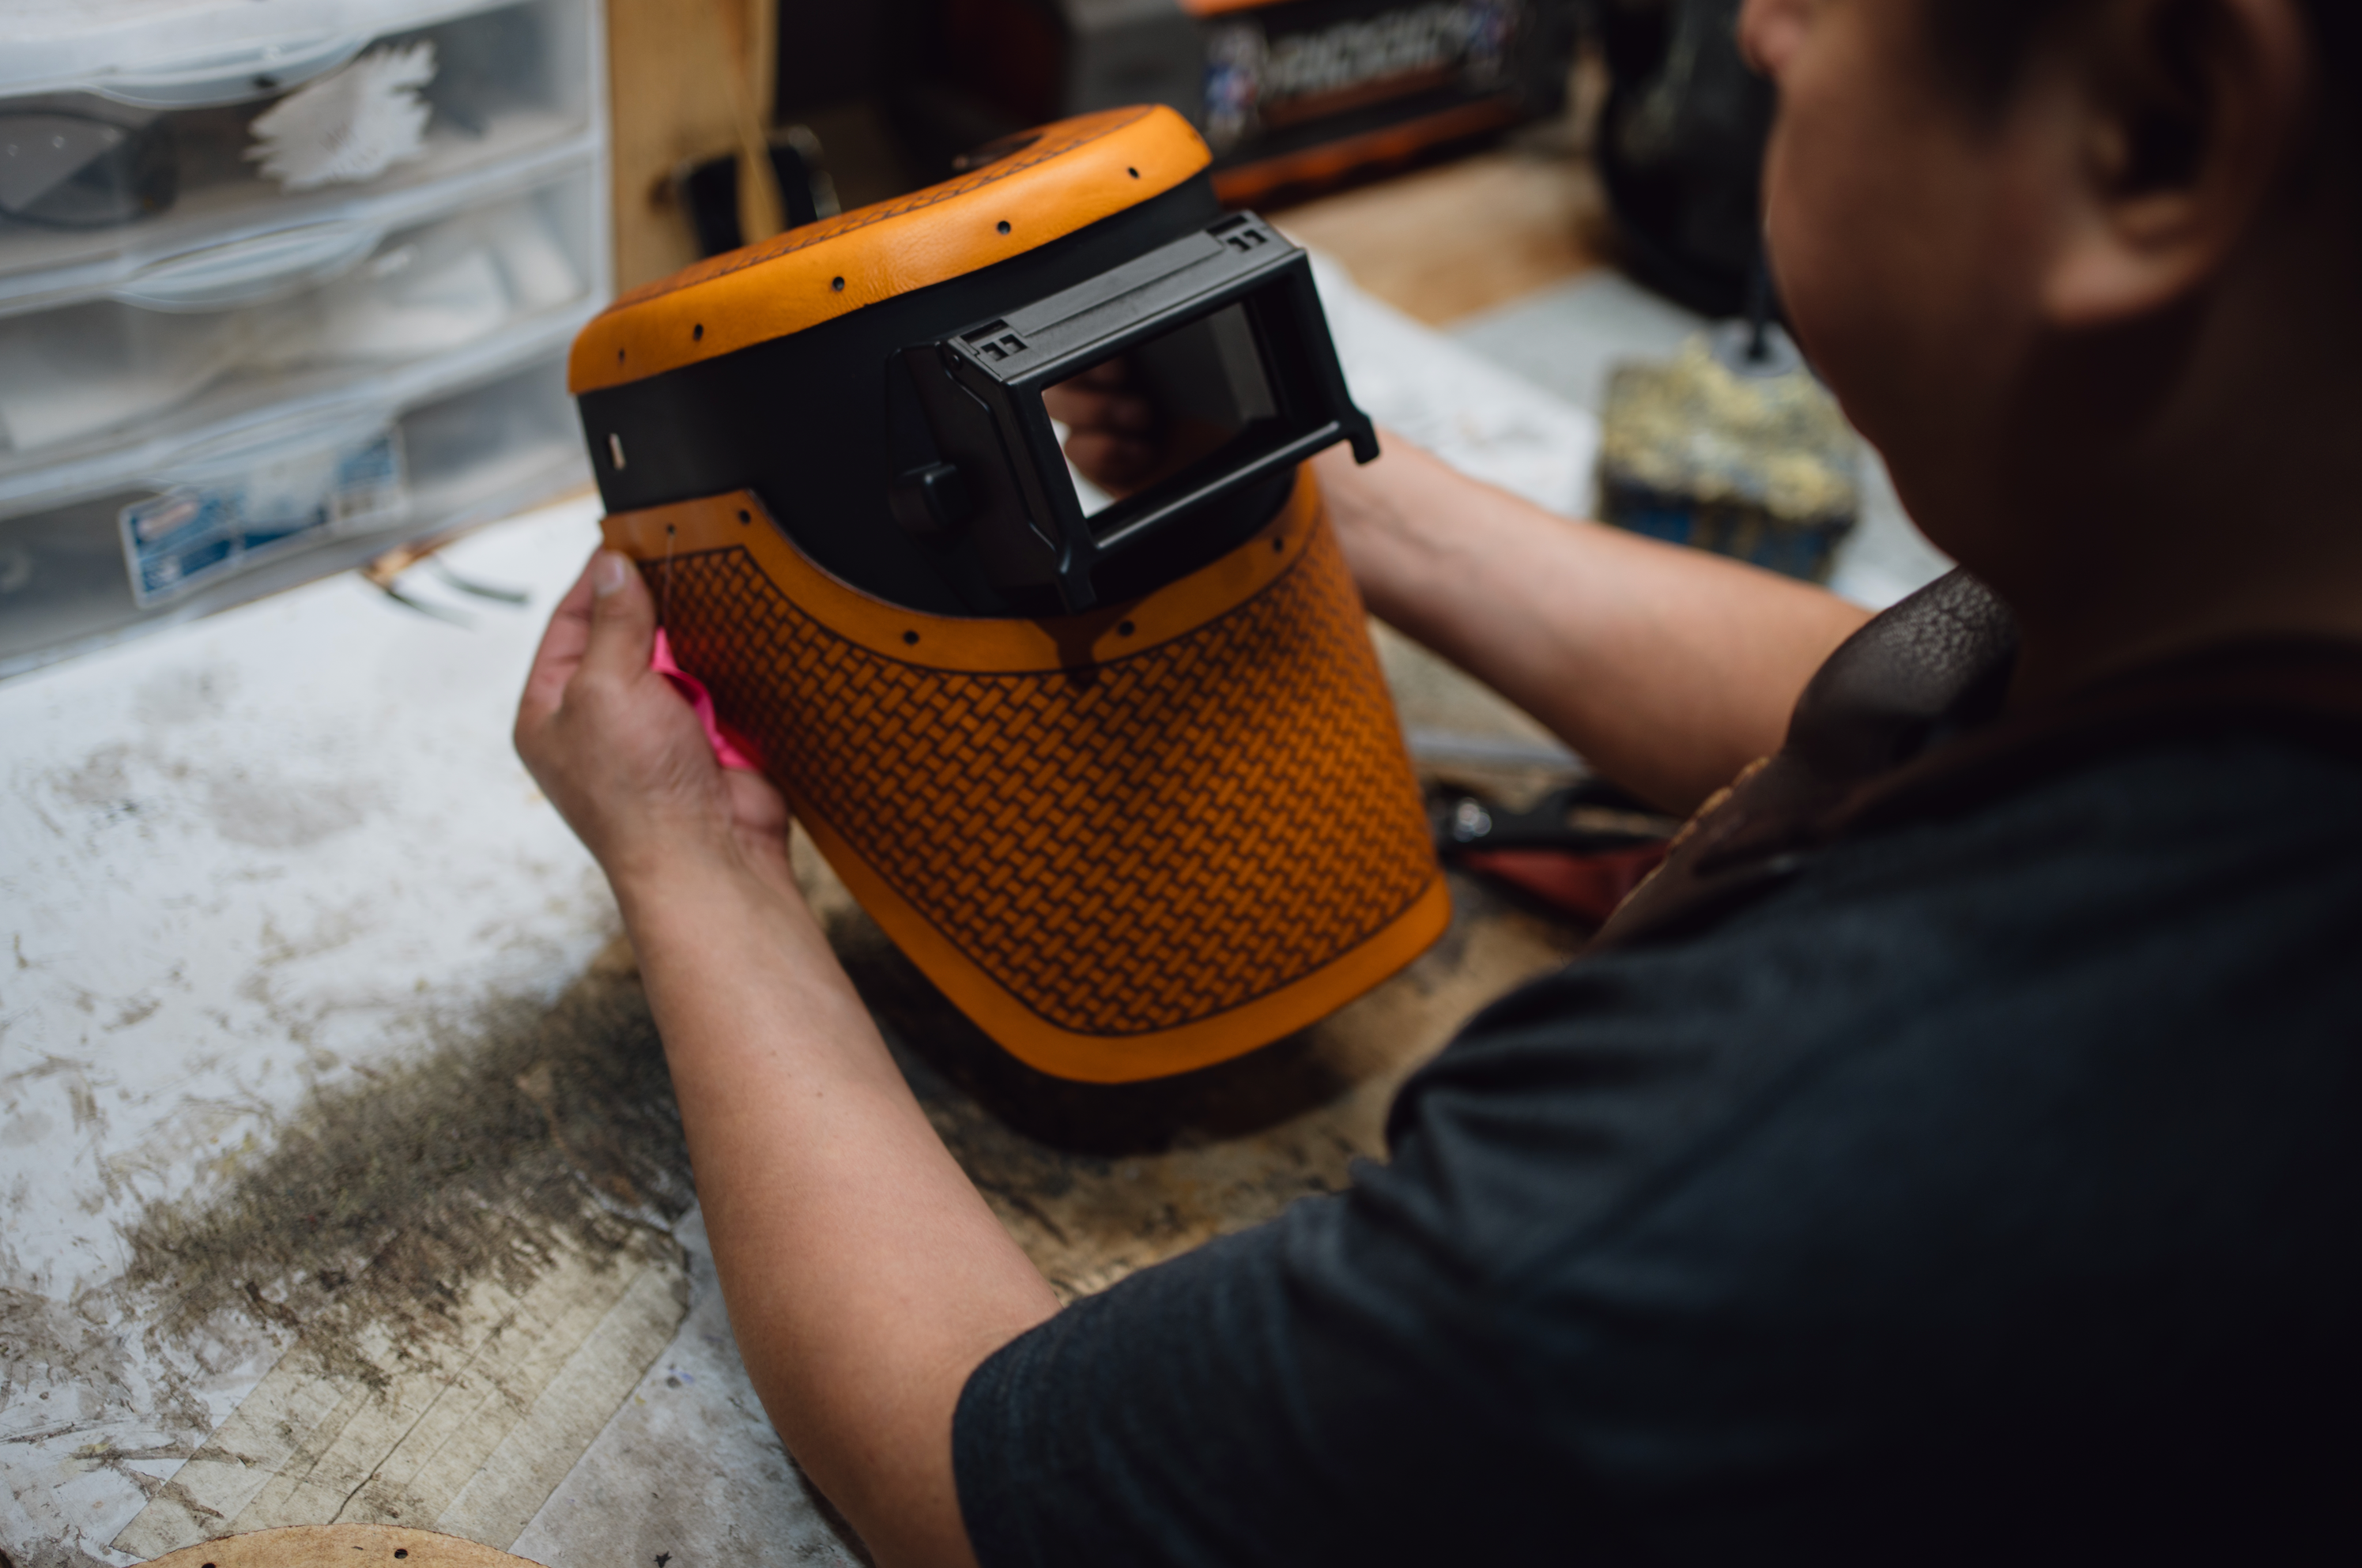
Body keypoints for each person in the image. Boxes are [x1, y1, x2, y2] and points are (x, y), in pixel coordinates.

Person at [512, 0, 2362, 1561]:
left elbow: (979, 1462)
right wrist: (1350, 498)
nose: (1765, 27)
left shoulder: (1742, 1174)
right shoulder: (2245, 578)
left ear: (2161, 126)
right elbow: (1924, 679)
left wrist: (696, 858)